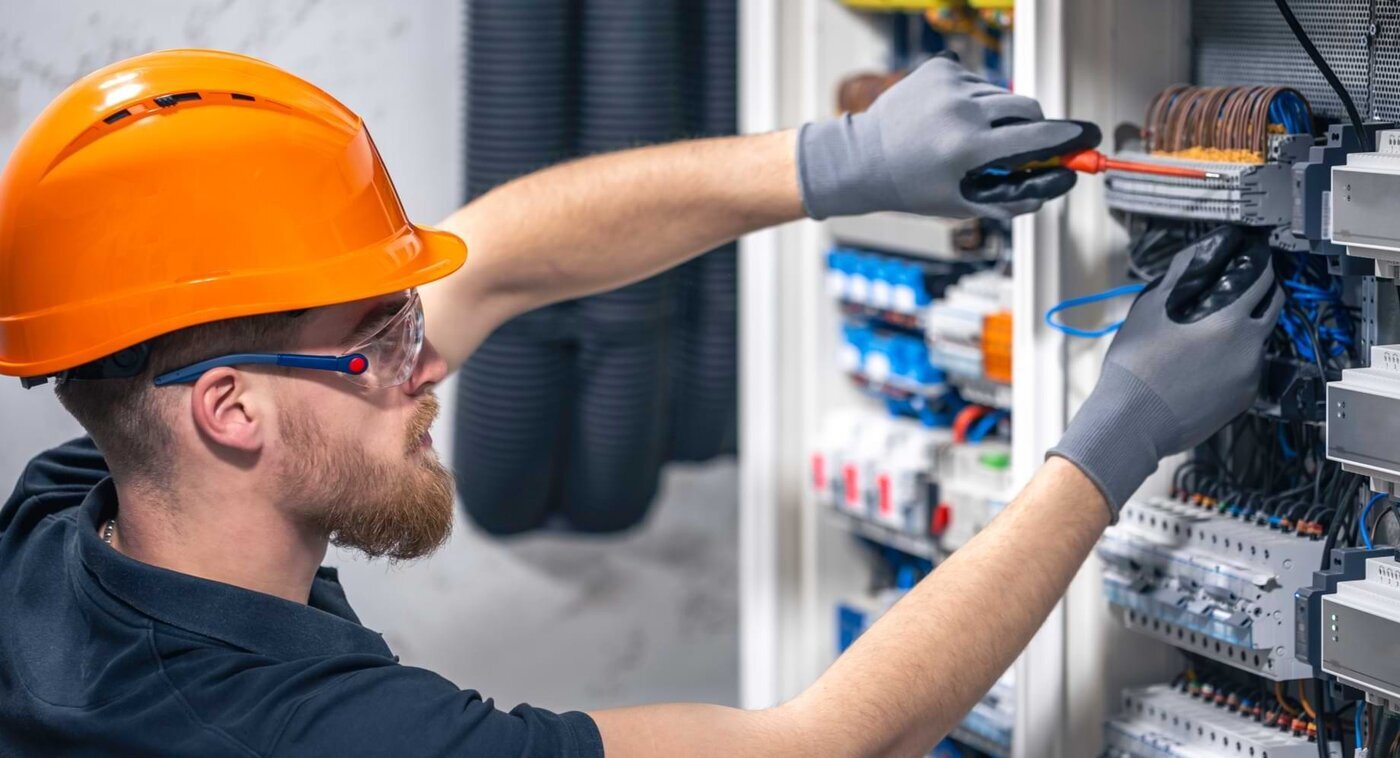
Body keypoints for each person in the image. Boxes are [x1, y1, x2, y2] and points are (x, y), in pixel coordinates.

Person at [0, 49, 1280, 756]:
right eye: (379, 342)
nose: (425, 363)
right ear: (228, 411)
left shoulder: (69, 525)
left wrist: (837, 163)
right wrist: (1115, 437)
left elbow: (496, 256)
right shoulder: (315, 737)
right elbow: (821, 748)